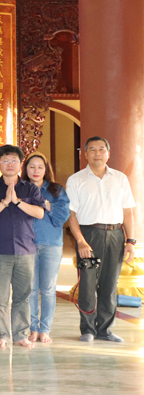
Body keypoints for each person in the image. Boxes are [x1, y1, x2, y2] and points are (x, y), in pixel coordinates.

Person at [66, 136, 137, 343]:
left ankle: (104, 329)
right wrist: (81, 241)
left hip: (115, 236)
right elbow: (71, 214)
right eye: (92, 149)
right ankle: (88, 329)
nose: (97, 153)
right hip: (90, 236)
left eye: (101, 149)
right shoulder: (76, 180)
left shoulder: (120, 178)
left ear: (108, 153)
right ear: (85, 154)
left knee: (109, 284)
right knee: (88, 284)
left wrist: (130, 241)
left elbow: (128, 212)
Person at [0, 145, 45, 348]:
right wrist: (4, 202)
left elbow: (39, 213)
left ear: (20, 164)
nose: (10, 164)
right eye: (5, 160)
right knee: (0, 297)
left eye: (14, 161)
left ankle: (20, 334)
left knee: (23, 296)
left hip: (25, 250)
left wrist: (17, 202)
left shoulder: (30, 189)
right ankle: (2, 335)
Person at [21, 152, 70, 343]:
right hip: (27, 244)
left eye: (40, 167)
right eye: (32, 166)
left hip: (51, 244)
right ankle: (33, 328)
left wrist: (47, 204)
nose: (36, 170)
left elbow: (61, 218)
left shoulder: (56, 190)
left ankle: (45, 330)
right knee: (31, 289)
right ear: (26, 169)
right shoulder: (20, 188)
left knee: (48, 288)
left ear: (46, 169)